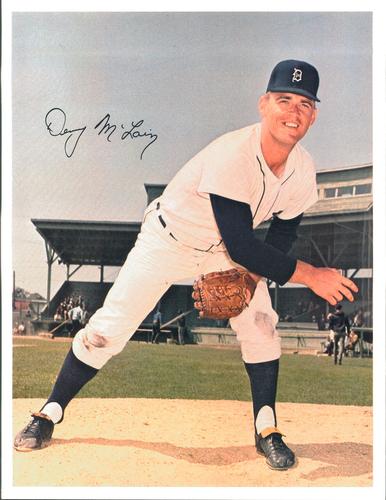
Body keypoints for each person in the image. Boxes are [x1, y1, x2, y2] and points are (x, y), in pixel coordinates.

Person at [14, 59, 358, 471]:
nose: (294, 111)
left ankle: (266, 428)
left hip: (222, 251)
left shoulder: (303, 170)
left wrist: (250, 280)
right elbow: (243, 242)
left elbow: (282, 234)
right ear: (264, 104)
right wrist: (311, 275)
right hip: (168, 239)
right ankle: (49, 411)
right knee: (108, 330)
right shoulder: (234, 153)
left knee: (262, 321)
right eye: (284, 99)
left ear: (314, 114)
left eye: (304, 104)